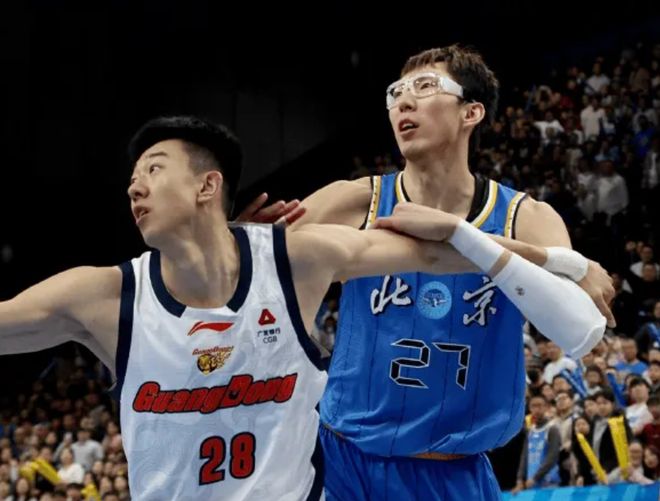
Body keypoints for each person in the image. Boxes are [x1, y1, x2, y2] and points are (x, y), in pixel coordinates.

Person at [0, 116, 605, 500]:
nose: (134, 186)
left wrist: (563, 261)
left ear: (207, 186)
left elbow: (444, 251)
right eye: (132, 178)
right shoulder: (101, 296)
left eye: (153, 170)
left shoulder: (294, 261)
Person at [279, 44, 615, 499]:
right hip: (343, 463)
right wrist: (561, 261)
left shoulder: (526, 216)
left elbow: (579, 331)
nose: (404, 101)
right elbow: (250, 271)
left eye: (425, 87)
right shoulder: (352, 201)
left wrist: (458, 233)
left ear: (471, 112)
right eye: (396, 92)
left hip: (456, 471)